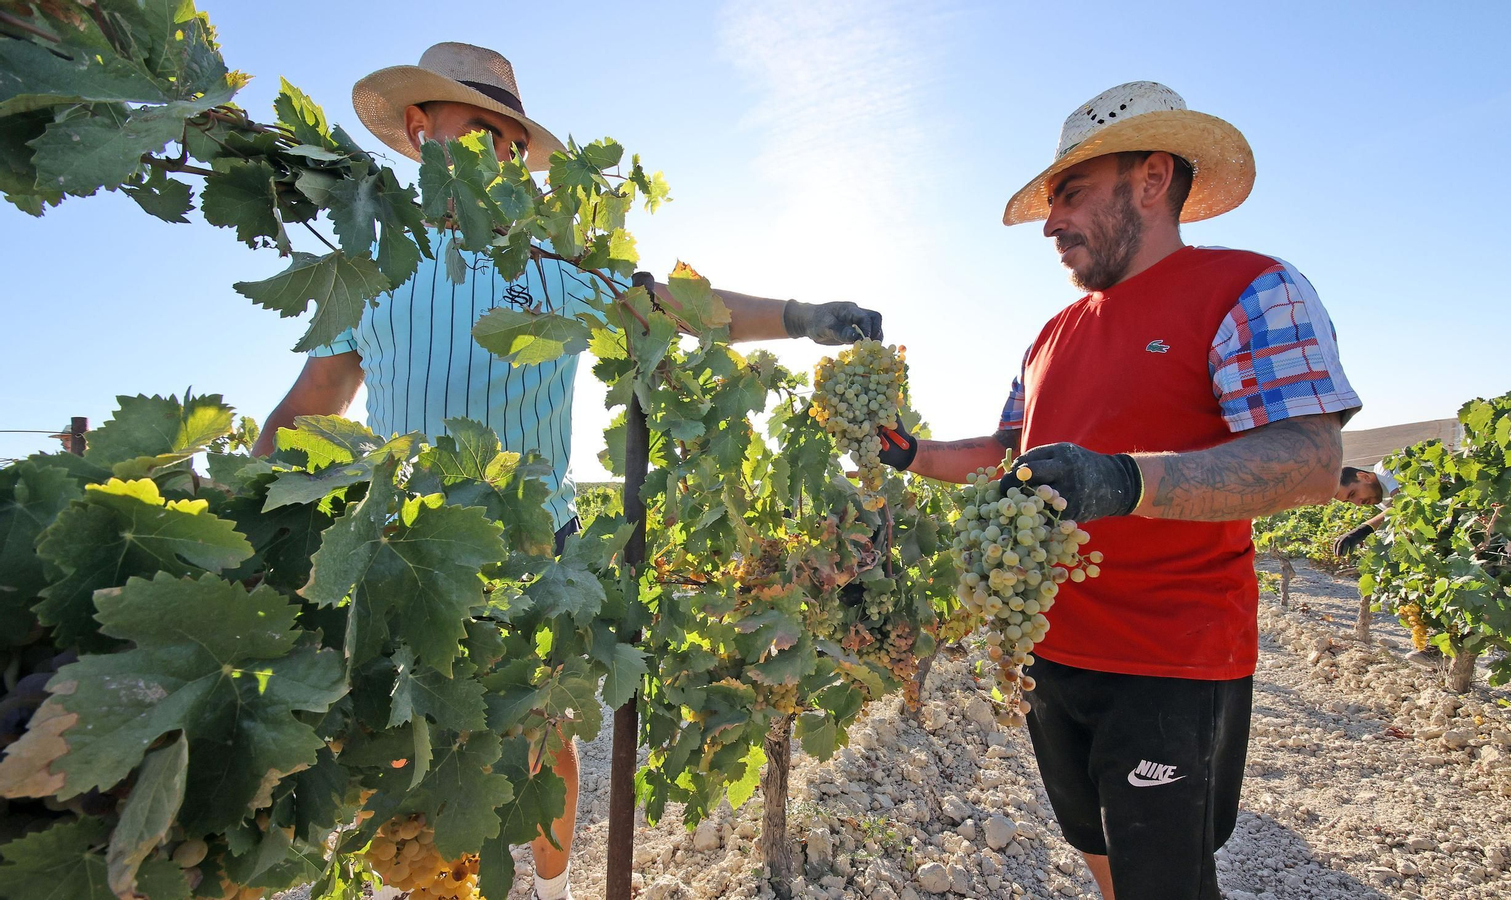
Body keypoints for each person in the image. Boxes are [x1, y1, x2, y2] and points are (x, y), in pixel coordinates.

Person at [251, 42, 883, 900]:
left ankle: (548, 894)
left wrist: (799, 315)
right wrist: (247, 507)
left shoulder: (552, 264)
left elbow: (672, 305)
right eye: (482, 129)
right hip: (402, 552)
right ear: (419, 128)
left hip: (533, 548)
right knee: (403, 740)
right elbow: (314, 399)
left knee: (540, 732)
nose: (504, 154)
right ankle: (427, 884)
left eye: (514, 141)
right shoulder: (369, 268)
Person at [878, 82, 1361, 899]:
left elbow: (1307, 458)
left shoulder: (1249, 289)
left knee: (1165, 880)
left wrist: (1125, 479)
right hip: (1050, 653)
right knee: (1097, 850)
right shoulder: (1049, 336)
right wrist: (910, 453)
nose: (1051, 221)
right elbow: (1005, 454)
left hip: (1171, 660)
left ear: (1151, 178)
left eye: (1070, 193)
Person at [1331, 463, 1399, 555]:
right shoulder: (1380, 498)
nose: (1358, 503)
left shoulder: (1385, 468)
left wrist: (1363, 530)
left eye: (1352, 494)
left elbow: (1401, 505)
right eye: (1348, 501)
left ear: (1363, 477)